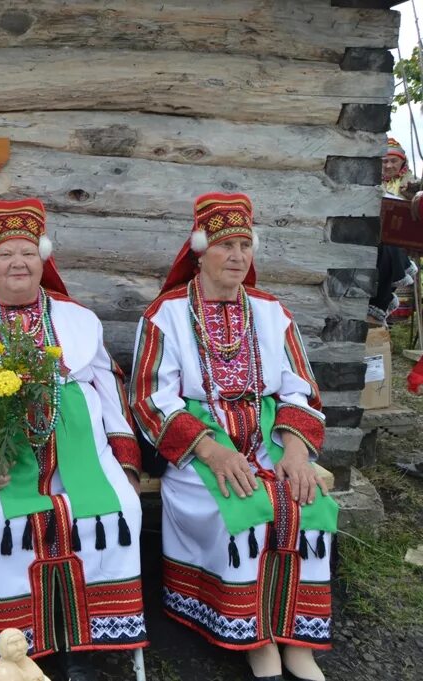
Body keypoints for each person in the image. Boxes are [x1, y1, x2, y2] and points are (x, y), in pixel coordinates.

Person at [0, 199, 147, 681]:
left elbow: (111, 393)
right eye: (5, 254)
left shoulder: (78, 319)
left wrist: (125, 463)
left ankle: (80, 643)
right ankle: (12, 645)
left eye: (27, 252)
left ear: (43, 259)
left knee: (117, 510)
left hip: (79, 456)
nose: (17, 263)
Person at [130, 193, 339, 681]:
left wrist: (294, 451)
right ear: (200, 251)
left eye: (245, 244)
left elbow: (300, 389)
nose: (238, 255)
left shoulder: (271, 310)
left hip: (270, 433)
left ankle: (297, 637)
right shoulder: (166, 313)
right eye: (226, 245)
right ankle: (255, 637)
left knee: (306, 501)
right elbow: (150, 398)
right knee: (243, 505)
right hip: (201, 442)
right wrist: (211, 448)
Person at [375, 138, 419, 326]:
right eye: (385, 161)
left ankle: (395, 329)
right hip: (379, 246)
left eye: (394, 161)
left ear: (403, 162)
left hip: (403, 249)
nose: (389, 165)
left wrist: (412, 194)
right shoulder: (371, 181)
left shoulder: (412, 183)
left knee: (403, 290)